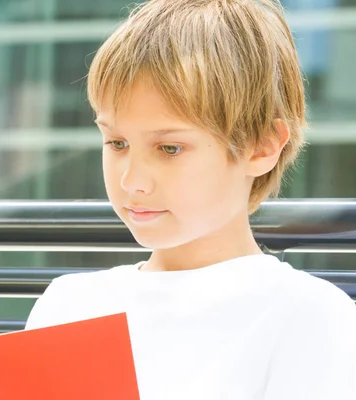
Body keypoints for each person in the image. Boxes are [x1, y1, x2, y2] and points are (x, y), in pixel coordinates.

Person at [24, 0, 356, 398]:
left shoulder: (309, 316)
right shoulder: (68, 304)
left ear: (261, 147)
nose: (132, 181)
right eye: (117, 142)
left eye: (169, 149)